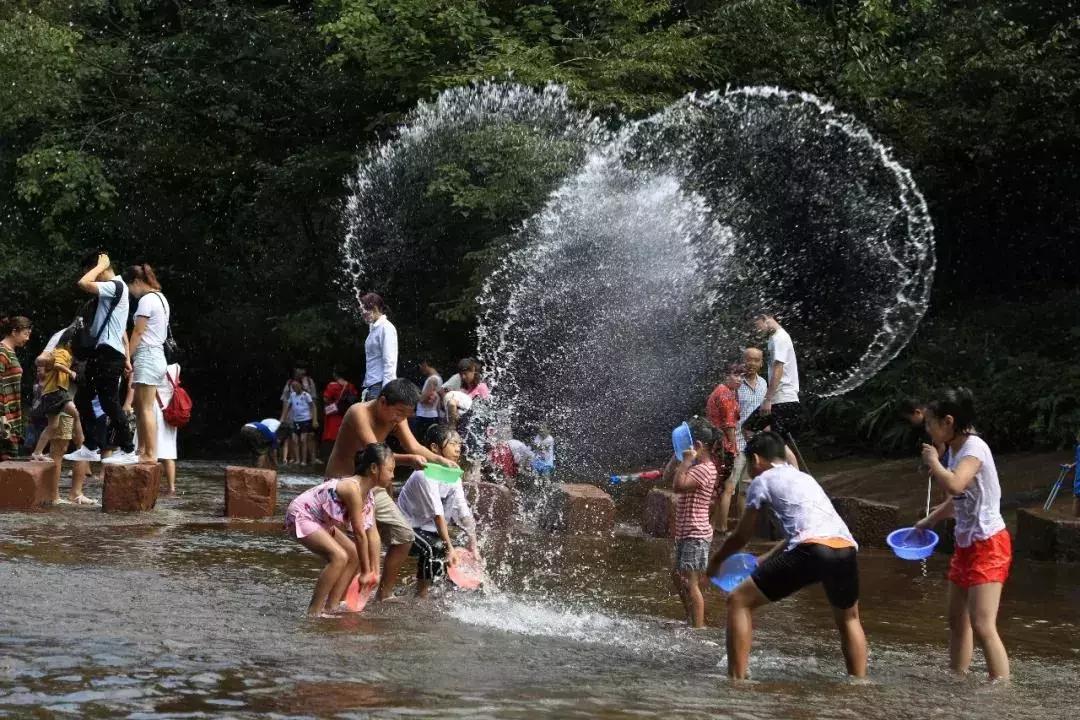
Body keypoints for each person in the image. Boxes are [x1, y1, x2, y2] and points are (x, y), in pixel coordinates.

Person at [707, 431, 867, 680]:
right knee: (849, 618)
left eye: (749, 464)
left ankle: (736, 682)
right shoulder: (804, 479)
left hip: (812, 550)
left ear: (756, 460)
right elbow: (805, 531)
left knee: (739, 600)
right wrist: (765, 559)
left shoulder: (762, 480)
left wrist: (716, 562)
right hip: (845, 548)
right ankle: (860, 684)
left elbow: (741, 536)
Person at [325, 378, 458, 600]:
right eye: (398, 413)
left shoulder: (398, 415)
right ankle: (335, 601)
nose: (400, 419)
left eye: (405, 415)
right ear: (383, 401)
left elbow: (414, 446)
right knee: (352, 548)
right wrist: (410, 460)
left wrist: (439, 460)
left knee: (404, 536)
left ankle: (383, 595)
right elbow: (374, 455)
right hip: (342, 485)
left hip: (372, 485)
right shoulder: (358, 413)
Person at [915, 388, 1010, 680]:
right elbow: (958, 501)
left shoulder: (973, 449)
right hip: (966, 544)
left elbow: (955, 486)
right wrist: (928, 521)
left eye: (930, 423)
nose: (927, 429)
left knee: (983, 625)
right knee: (957, 620)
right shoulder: (956, 449)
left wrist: (933, 461)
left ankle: (1002, 688)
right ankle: (958, 678)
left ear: (948, 421)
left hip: (990, 543)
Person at [284, 443, 393, 616]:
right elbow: (359, 533)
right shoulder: (352, 488)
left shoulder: (369, 495)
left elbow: (372, 534)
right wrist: (365, 572)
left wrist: (375, 572)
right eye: (390, 470)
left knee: (354, 555)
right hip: (301, 514)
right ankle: (314, 611)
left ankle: (332, 606)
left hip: (322, 522)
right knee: (339, 557)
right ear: (373, 468)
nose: (392, 475)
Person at [66, 252, 135, 464]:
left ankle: (128, 448)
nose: (92, 277)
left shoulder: (115, 286)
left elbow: (82, 283)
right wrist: (126, 355)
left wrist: (100, 265)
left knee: (109, 402)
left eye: (93, 272)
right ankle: (91, 446)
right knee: (84, 397)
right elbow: (120, 326)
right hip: (104, 352)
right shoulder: (112, 290)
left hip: (108, 354)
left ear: (101, 268)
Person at [397, 425, 480, 597]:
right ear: (435, 448)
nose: (458, 448)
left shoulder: (453, 475)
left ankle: (417, 581)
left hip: (428, 529)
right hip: (405, 528)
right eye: (452, 443)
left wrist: (474, 545)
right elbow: (438, 513)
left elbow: (463, 511)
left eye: (459, 444)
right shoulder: (424, 474)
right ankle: (421, 596)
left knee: (451, 547)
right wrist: (449, 547)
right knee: (435, 547)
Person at [663, 416, 719, 629]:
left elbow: (678, 486)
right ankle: (690, 617)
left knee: (691, 581)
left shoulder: (705, 469)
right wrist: (679, 459)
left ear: (697, 447)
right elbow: (668, 478)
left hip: (696, 533)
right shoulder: (696, 465)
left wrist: (686, 461)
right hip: (687, 532)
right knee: (678, 575)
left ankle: (698, 627)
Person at [29, 327, 85, 461]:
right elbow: (58, 365)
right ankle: (82, 447)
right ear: (70, 342)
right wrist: (70, 372)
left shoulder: (56, 352)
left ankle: (37, 452)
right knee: (76, 414)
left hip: (49, 394)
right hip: (56, 392)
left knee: (52, 426)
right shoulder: (62, 351)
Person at [727, 348, 767, 519]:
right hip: (737, 442)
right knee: (729, 486)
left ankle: (742, 529)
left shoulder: (764, 384)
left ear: (761, 363)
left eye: (756, 360)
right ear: (743, 361)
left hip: (756, 445)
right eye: (748, 359)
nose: (751, 363)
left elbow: (766, 414)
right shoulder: (735, 384)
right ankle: (718, 527)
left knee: (746, 490)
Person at [752, 311, 803, 444]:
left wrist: (768, 399)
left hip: (783, 398)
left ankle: (775, 462)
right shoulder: (775, 338)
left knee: (781, 444)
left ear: (764, 318)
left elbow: (778, 369)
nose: (757, 331)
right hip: (781, 398)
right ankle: (769, 461)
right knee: (779, 442)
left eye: (757, 326)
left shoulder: (778, 338)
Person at [706, 362, 743, 532]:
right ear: (726, 376)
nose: (740, 379)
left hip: (715, 446)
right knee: (725, 487)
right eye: (736, 375)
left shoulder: (722, 391)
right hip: (723, 447)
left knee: (718, 487)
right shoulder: (725, 395)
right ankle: (719, 526)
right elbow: (729, 426)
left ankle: (712, 525)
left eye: (741, 375)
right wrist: (734, 449)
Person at [0, 316, 33, 459]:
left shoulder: (9, 351)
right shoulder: (2, 351)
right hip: (4, 414)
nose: (27, 338)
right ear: (14, 332)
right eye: (25, 334)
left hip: (10, 413)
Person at [360, 293, 397, 400]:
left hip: (380, 386)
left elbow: (390, 361)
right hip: (371, 385)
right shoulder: (373, 328)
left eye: (365, 309)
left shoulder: (386, 328)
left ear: (375, 307)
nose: (362, 313)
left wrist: (387, 391)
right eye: (361, 309)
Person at [280, 362, 317, 463]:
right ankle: (295, 458)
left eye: (301, 369)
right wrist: (283, 418)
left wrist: (314, 418)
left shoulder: (309, 382)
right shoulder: (289, 383)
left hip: (306, 416)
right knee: (294, 438)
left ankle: (311, 458)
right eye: (297, 369)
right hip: (293, 415)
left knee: (308, 437)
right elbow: (286, 402)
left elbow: (313, 402)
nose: (299, 371)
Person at [321, 368, 358, 449]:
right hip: (346, 415)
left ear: (335, 374)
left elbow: (326, 399)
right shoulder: (350, 386)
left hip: (334, 415)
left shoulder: (332, 386)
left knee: (334, 440)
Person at [411, 358, 442, 440]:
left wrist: (415, 396)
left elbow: (424, 399)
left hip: (424, 416)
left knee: (420, 441)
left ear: (425, 363)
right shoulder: (439, 378)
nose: (420, 369)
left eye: (420, 366)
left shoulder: (432, 379)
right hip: (433, 415)